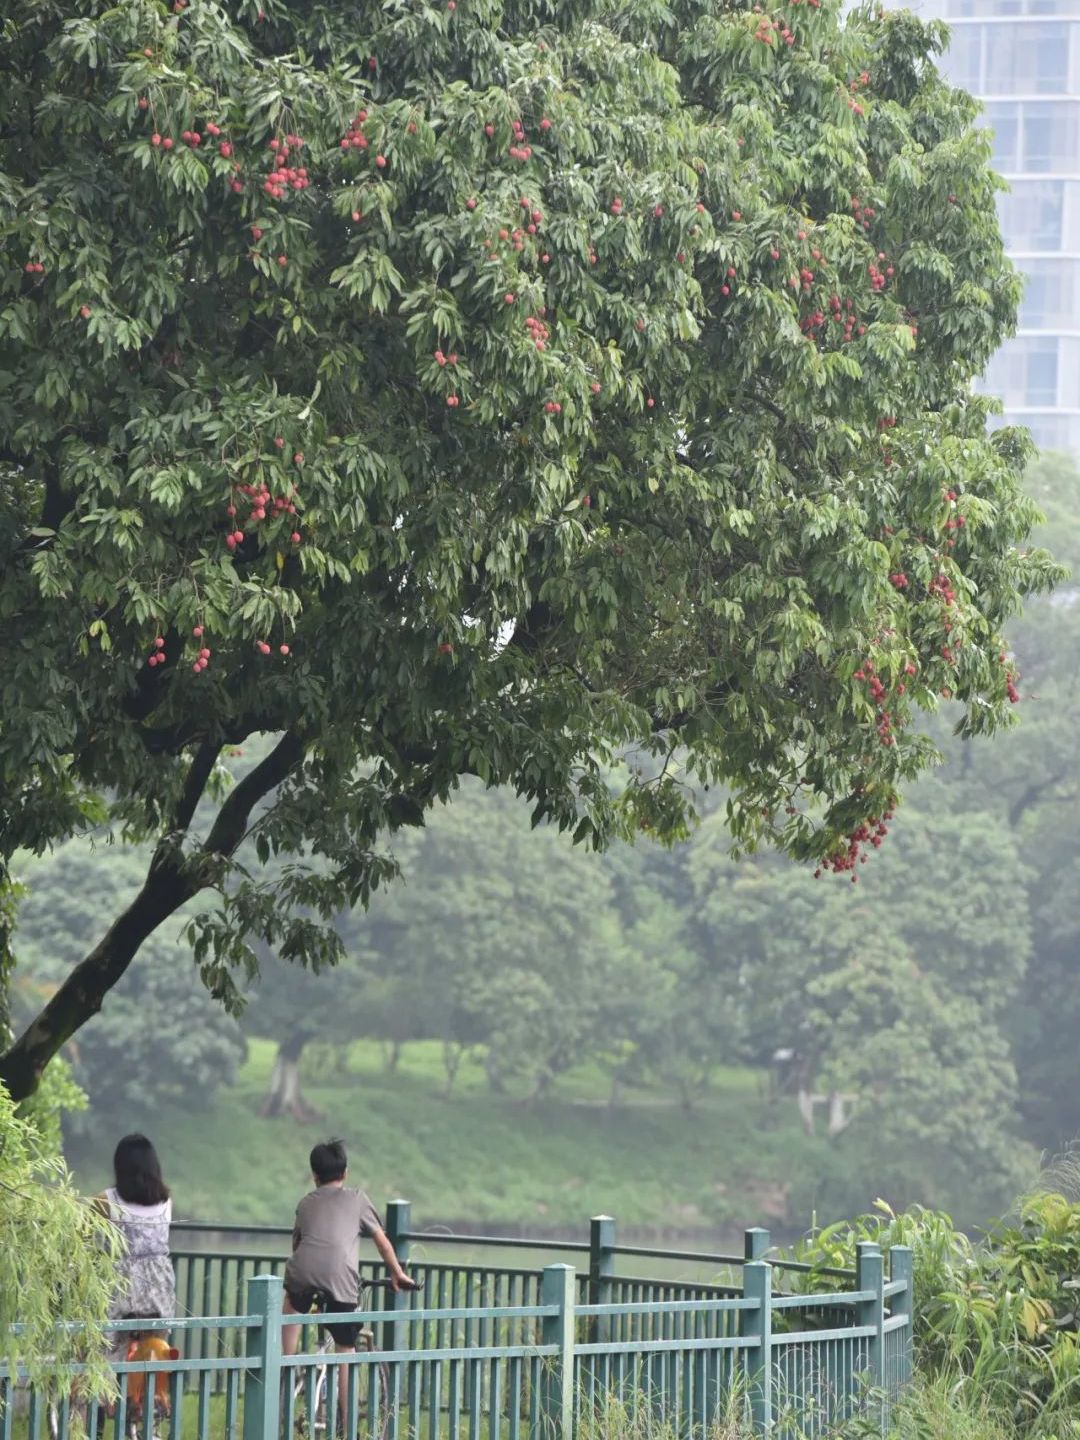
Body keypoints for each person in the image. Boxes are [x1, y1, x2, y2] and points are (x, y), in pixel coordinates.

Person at [283, 1139, 416, 1424]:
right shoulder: (357, 1199)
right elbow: (382, 1241)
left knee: (292, 1302)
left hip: (301, 1274)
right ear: (345, 1173)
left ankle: (284, 1363)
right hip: (340, 1280)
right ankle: (347, 1424)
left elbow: (297, 1245)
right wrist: (397, 1273)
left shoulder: (305, 1202)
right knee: (345, 1347)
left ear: (314, 1175)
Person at [96, 1135, 176, 1351]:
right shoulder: (166, 1201)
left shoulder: (105, 1200)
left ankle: (106, 1384)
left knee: (107, 1351)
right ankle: (149, 1385)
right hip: (159, 1286)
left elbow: (82, 1235)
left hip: (119, 1285)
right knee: (154, 1352)